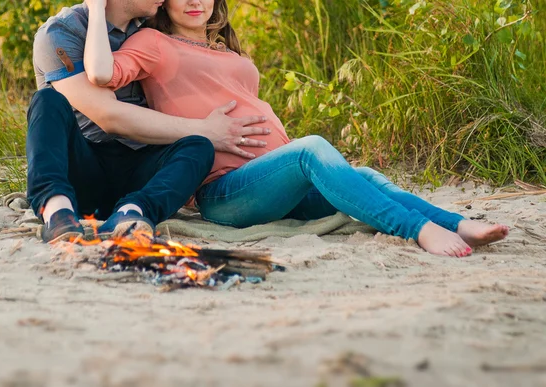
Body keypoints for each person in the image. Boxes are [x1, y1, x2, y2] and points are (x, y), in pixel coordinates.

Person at [83, 0, 509, 257]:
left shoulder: (221, 46)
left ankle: (455, 222)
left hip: (273, 183)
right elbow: (101, 73)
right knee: (312, 149)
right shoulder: (154, 44)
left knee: (364, 177)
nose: (195, 1)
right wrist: (96, 6)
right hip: (226, 191)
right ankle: (421, 230)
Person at [29, 0, 271, 242]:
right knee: (47, 100)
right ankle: (56, 211)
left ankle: (133, 212)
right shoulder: (61, 32)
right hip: (84, 168)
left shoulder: (152, 27)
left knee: (198, 146)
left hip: (142, 171)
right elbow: (108, 116)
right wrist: (206, 129)